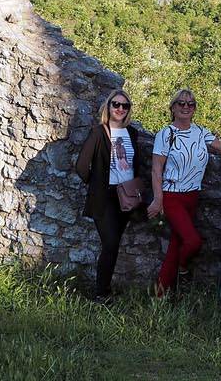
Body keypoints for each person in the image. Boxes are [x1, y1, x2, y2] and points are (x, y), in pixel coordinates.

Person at [147, 88, 221, 296]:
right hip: (172, 196)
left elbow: (220, 147)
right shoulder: (166, 134)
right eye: (181, 103)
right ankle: (183, 271)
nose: (186, 107)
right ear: (172, 107)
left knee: (175, 245)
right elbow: (156, 169)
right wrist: (158, 199)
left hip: (192, 196)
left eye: (190, 104)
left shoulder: (200, 132)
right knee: (192, 241)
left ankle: (160, 295)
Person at [75, 88, 147, 301]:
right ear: (108, 107)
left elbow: (136, 164)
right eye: (116, 104)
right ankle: (101, 293)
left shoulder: (132, 133)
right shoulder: (99, 132)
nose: (120, 109)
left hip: (126, 197)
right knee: (110, 243)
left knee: (114, 245)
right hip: (104, 198)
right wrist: (96, 183)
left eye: (125, 106)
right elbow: (81, 166)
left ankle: (104, 290)